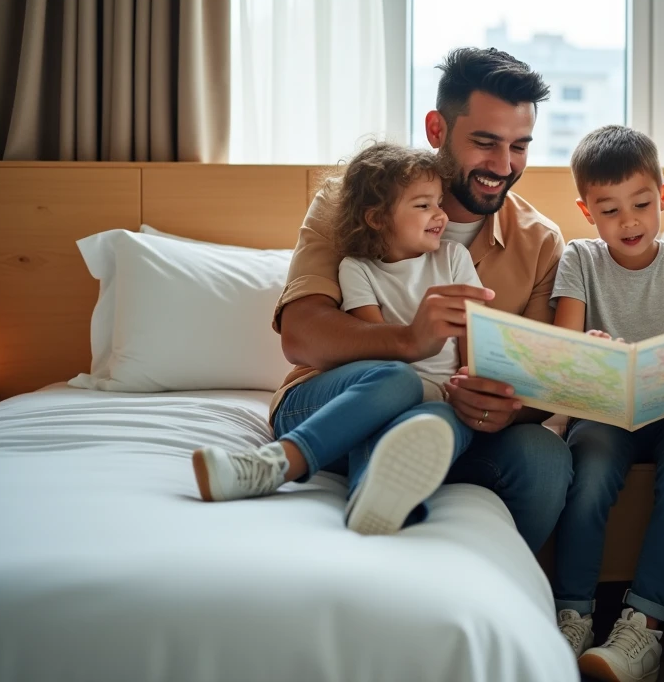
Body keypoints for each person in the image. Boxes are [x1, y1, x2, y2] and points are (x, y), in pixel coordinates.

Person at [233, 48, 570, 552]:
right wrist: (409, 341)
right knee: (395, 390)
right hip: (337, 407)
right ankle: (362, 508)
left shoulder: (540, 241)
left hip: (451, 425)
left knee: (546, 456)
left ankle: (492, 588)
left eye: (519, 146)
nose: (503, 165)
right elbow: (301, 335)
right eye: (485, 143)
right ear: (437, 129)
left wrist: (505, 408)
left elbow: (535, 382)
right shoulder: (352, 203)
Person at [193, 144, 483, 536]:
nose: (440, 214)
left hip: (436, 398)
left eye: (439, 203)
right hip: (383, 387)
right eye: (422, 205)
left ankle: (373, 499)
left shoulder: (454, 259)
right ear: (377, 218)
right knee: (397, 380)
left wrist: (469, 383)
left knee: (439, 425)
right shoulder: (357, 269)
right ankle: (271, 465)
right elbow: (377, 349)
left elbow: (473, 339)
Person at [550, 125, 664, 682]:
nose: (628, 221)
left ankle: (644, 626)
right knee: (589, 472)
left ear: (663, 196)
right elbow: (567, 352)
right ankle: (571, 615)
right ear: (587, 212)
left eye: (642, 204)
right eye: (610, 210)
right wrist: (592, 351)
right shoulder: (578, 259)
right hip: (606, 413)